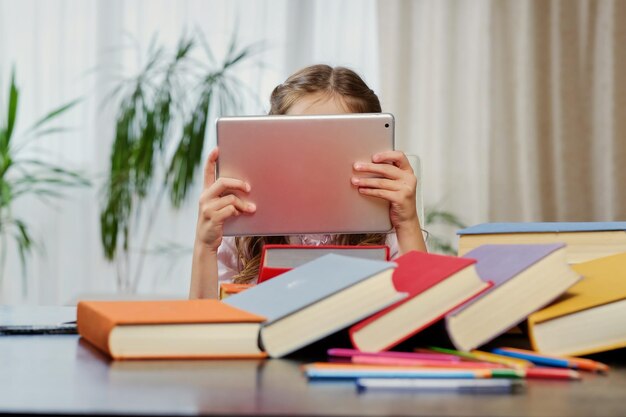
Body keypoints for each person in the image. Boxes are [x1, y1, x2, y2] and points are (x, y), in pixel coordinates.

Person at [190, 64, 427, 299]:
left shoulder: (386, 230)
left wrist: (407, 222)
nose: (314, 164)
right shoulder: (243, 231)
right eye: (299, 143)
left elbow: (425, 316)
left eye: (334, 146)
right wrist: (205, 244)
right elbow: (202, 325)